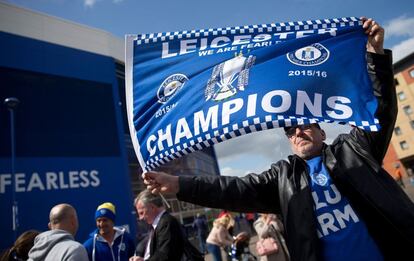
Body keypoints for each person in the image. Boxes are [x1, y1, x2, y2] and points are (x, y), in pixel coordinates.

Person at [141, 18, 414, 261]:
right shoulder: (282, 178)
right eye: (290, 131)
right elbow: (232, 189)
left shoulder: (355, 149)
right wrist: (179, 184)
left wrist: (375, 55)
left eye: (305, 125)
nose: (298, 132)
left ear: (321, 131)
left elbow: (380, 110)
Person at [130, 190, 202, 261]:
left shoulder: (166, 223)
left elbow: (164, 256)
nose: (140, 218)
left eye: (141, 213)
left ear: (152, 207)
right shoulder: (158, 225)